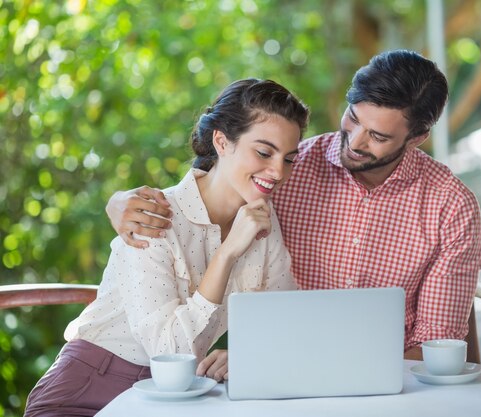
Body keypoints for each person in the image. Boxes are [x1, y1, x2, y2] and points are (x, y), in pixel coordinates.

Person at [106, 49, 481, 365]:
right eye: (353, 117)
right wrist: (120, 203)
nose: (354, 140)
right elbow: (206, 196)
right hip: (280, 369)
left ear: (417, 137)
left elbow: (438, 351)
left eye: (378, 136)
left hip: (389, 377)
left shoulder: (450, 208)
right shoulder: (287, 167)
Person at [24, 78, 309, 417]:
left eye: (289, 159)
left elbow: (279, 319)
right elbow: (171, 351)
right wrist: (228, 252)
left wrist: (247, 354)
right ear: (221, 141)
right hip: (87, 389)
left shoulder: (262, 218)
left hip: (178, 398)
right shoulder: (152, 216)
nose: (278, 171)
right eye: (264, 152)